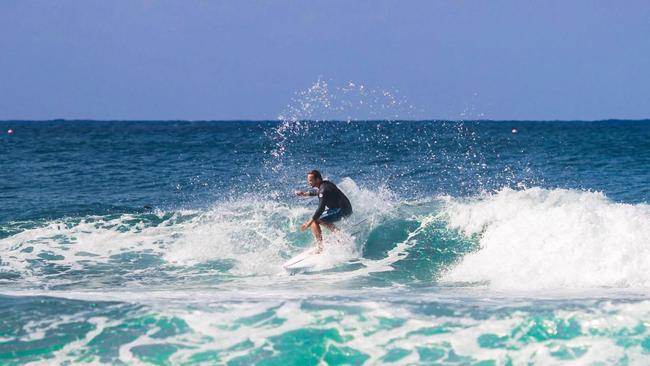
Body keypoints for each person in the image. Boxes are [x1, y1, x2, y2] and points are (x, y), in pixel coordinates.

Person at [295, 170, 353, 253]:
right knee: (320, 219)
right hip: (345, 208)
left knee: (315, 220)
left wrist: (309, 223)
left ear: (317, 179)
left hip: (342, 210)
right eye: (308, 180)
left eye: (311, 180)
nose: (309, 182)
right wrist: (305, 194)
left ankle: (320, 247)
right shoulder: (325, 184)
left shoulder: (324, 190)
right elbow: (318, 192)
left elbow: (321, 208)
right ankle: (340, 236)